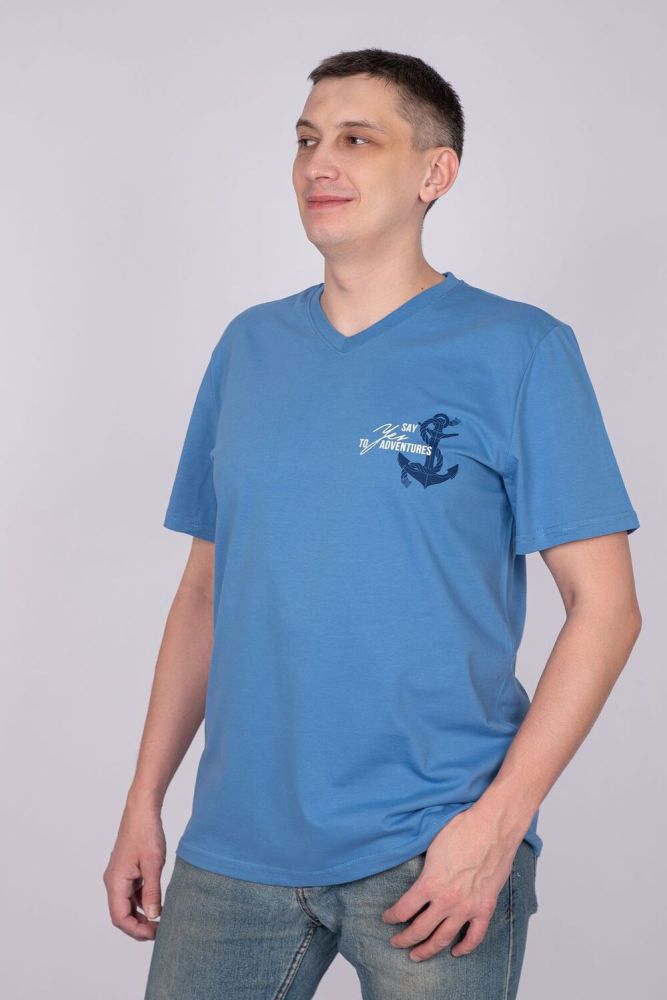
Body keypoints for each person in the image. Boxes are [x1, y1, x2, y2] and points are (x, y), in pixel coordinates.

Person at [103, 48, 642, 999]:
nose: (319, 162)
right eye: (306, 139)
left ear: (435, 173)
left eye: (357, 139)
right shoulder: (248, 347)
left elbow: (605, 609)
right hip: (232, 852)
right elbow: (203, 594)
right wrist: (144, 799)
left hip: (431, 849)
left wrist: (497, 827)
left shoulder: (518, 349)